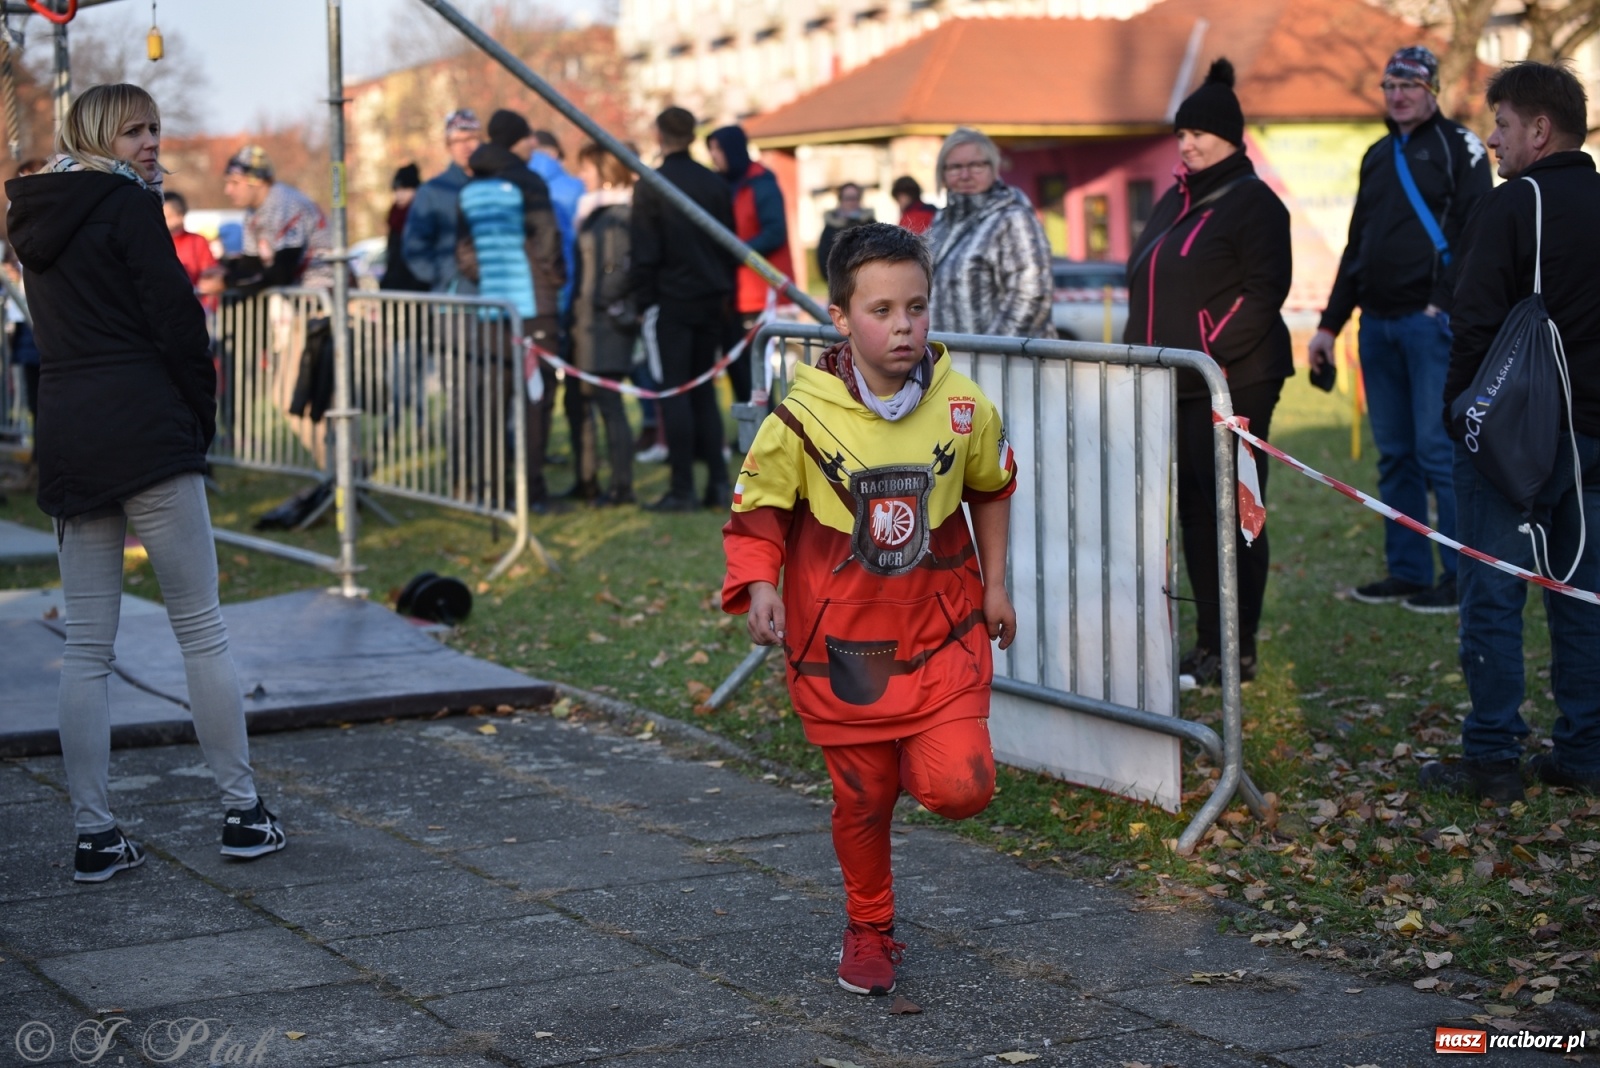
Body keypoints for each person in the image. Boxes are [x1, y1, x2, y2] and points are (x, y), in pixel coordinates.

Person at [723, 222, 1017, 996]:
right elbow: (758, 509)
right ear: (840, 317)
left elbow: (991, 486)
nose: (904, 327)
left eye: (917, 308)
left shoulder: (962, 404)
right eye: (882, 310)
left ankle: (920, 757)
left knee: (961, 788)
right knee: (864, 795)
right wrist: (759, 585)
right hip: (846, 644)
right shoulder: (804, 415)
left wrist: (996, 584)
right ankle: (871, 927)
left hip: (943, 629)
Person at [5, 83, 286, 882]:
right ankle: (242, 812)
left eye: (156, 129)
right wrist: (200, 420)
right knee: (201, 628)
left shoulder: (33, 217)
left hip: (71, 434)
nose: (152, 143)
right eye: (135, 130)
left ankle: (94, 835)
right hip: (148, 430)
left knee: (87, 651)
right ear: (99, 134)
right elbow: (176, 324)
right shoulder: (127, 206)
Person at [1419, 62, 1600, 802]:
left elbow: (1474, 324)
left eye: (1500, 125)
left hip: (1511, 438)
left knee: (1491, 590)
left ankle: (1492, 757)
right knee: (1580, 591)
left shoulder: (1511, 205)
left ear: (1539, 129)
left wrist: (1460, 410)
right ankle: (1585, 752)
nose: (1491, 141)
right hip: (1591, 436)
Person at [1124, 58, 1294, 687]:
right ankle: (1209, 642)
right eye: (1182, 134)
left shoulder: (1254, 204)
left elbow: (1263, 291)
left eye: (1198, 133)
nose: (1186, 143)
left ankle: (1239, 645)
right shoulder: (1175, 198)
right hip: (1177, 384)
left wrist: (1207, 357)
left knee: (1236, 512)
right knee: (1196, 511)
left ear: (1231, 136)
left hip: (1234, 382)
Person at [1307, 46, 1491, 614]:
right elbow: (1356, 245)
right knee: (1395, 457)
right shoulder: (1376, 155)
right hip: (1377, 327)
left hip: (1430, 327)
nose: (1399, 93)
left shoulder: (1461, 146)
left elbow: (1477, 233)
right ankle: (1408, 571)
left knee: (1439, 452)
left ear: (1432, 89)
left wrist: (1442, 304)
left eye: (1410, 83)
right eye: (1390, 84)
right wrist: (1328, 325)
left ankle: (1461, 577)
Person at [455, 108, 566, 512]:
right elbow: (548, 239)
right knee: (537, 398)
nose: (534, 144)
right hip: (534, 306)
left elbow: (464, 252)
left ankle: (493, 489)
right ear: (515, 141)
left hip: (491, 309)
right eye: (528, 138)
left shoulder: (469, 189)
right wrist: (553, 279)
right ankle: (532, 491)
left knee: (494, 399)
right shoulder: (528, 181)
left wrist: (489, 278)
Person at [629, 106, 737, 512]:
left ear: (659, 134)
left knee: (674, 390)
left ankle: (682, 488)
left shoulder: (652, 184)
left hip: (671, 300)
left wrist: (643, 302)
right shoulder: (713, 183)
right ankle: (718, 483)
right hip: (711, 299)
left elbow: (645, 250)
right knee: (703, 391)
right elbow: (730, 244)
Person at [924, 127, 1052, 337]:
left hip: (1003, 363)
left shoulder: (1013, 219)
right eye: (955, 167)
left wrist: (990, 353)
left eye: (975, 165)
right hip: (950, 361)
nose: (965, 175)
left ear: (994, 168)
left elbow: (1032, 295)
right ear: (943, 174)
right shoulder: (941, 222)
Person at [571, 141, 639, 506]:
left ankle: (621, 486)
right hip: (589, 321)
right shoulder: (597, 213)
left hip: (605, 324)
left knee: (609, 404)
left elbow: (617, 268)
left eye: (587, 168)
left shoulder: (616, 215)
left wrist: (601, 300)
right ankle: (590, 480)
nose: (582, 175)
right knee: (589, 401)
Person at [705, 124, 792, 403]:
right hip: (734, 293)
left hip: (758, 293)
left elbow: (774, 232)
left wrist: (734, 250)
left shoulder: (761, 184)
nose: (713, 156)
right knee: (739, 368)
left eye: (717, 149)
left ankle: (765, 428)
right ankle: (750, 428)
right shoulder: (723, 185)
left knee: (759, 370)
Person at [402, 109, 481, 294]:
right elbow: (414, 246)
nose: (465, 147)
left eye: (471, 139)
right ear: (448, 146)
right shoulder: (433, 191)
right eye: (457, 141)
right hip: (451, 301)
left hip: (494, 299)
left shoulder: (494, 184)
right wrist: (445, 276)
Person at [163, 190, 222, 310]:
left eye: (168, 216)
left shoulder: (197, 241)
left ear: (180, 215)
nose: (163, 221)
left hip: (195, 308)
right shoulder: (157, 243)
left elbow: (211, 274)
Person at [815, 182, 875, 283]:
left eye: (854, 197)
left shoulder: (871, 224)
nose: (851, 202)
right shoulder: (831, 227)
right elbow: (823, 257)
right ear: (840, 200)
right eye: (848, 198)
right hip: (840, 285)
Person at [380, 163, 427, 292]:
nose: (399, 195)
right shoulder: (394, 216)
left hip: (417, 288)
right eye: (396, 190)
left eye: (405, 189)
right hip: (394, 286)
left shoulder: (423, 213)